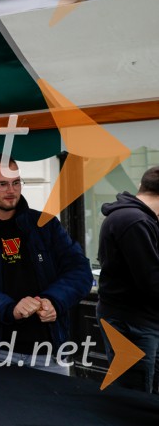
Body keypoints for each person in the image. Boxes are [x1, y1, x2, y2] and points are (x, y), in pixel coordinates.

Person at [0, 153, 92, 370]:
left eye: (16, 182)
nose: (11, 190)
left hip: (49, 350)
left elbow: (80, 271)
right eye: (2, 184)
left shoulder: (44, 224)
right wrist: (10, 308)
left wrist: (54, 301)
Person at [96, 165, 159, 393]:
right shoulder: (135, 221)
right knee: (135, 395)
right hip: (133, 322)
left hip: (137, 319)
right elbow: (152, 280)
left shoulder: (137, 218)